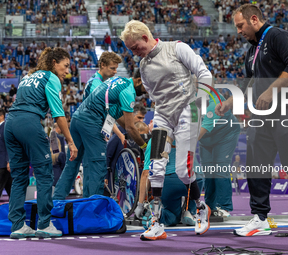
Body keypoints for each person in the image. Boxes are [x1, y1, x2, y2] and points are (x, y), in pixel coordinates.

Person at [215, 4, 288, 236]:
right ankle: (260, 217)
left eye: (241, 25)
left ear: (254, 19)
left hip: (287, 110)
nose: (238, 31)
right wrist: (230, 102)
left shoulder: (277, 36)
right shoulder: (251, 52)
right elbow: (250, 84)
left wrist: (270, 92)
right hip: (261, 115)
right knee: (255, 162)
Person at [121, 20, 212, 240]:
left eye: (135, 47)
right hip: (163, 116)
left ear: (145, 37)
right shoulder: (143, 66)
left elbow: (204, 74)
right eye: (130, 50)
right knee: (155, 167)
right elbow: (155, 96)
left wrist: (199, 105)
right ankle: (155, 221)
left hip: (187, 112)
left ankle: (201, 207)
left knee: (183, 169)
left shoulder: (177, 48)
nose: (134, 53)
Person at [4, 47, 78, 239]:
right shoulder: (51, 78)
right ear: (54, 63)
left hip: (10, 124)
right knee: (44, 173)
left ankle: (18, 225)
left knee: (19, 177)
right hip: (28, 122)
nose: (67, 71)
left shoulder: (27, 77)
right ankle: (45, 223)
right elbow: (58, 115)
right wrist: (70, 142)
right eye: (65, 66)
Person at [53, 72, 147, 200]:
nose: (147, 91)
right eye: (146, 86)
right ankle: (92, 210)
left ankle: (56, 202)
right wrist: (144, 145)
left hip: (77, 119)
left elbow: (120, 120)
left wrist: (129, 130)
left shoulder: (116, 81)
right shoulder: (128, 91)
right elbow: (130, 127)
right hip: (91, 122)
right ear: (139, 80)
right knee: (98, 166)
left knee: (72, 163)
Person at [136, 121, 199, 228]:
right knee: (197, 178)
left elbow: (146, 174)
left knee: (173, 216)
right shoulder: (187, 139)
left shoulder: (154, 141)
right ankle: (190, 211)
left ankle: (160, 214)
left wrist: (140, 204)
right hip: (192, 182)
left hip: (169, 182)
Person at [198, 89, 240, 218]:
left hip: (225, 135)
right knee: (208, 171)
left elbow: (202, 129)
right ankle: (210, 206)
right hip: (206, 139)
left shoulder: (214, 101)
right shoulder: (184, 98)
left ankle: (224, 207)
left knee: (220, 168)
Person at [0, 109, 12, 199]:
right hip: (2, 164)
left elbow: (9, 144)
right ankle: (16, 209)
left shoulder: (5, 127)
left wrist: (8, 161)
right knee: (10, 189)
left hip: (3, 164)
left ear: (2, 116)